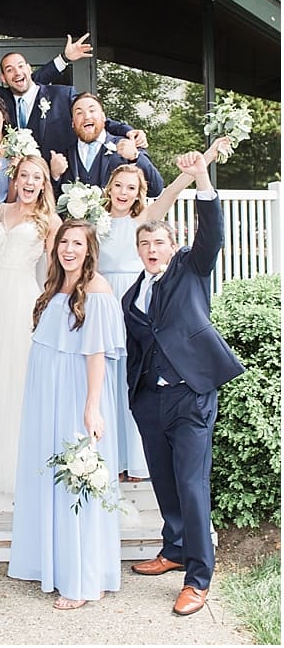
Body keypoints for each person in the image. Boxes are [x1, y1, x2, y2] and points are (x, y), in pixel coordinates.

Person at [121, 150, 245, 617]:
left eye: (159, 243)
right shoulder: (135, 291)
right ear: (139, 250)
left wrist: (201, 180)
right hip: (150, 400)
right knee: (166, 483)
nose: (152, 250)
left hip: (190, 395)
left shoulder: (191, 270)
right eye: (145, 245)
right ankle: (173, 549)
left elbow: (212, 234)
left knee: (192, 486)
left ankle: (198, 577)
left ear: (173, 246)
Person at [98, 137, 230, 483]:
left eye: (131, 187)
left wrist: (206, 161)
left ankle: (137, 461)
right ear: (108, 188)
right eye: (119, 186)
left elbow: (173, 189)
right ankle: (111, 456)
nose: (124, 192)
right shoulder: (93, 220)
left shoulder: (145, 221)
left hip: (143, 304)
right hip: (107, 302)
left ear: (139, 192)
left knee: (138, 371)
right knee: (110, 379)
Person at [8, 219, 125, 610]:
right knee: (52, 476)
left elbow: (96, 355)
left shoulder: (97, 289)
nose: (69, 249)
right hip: (47, 394)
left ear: (90, 250)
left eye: (77, 243)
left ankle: (83, 577)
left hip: (76, 393)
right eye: (64, 242)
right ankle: (55, 564)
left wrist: (92, 407)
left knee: (77, 476)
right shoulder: (53, 286)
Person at [0, 155, 60, 491]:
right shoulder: (0, 209)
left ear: (44, 184)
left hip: (21, 297)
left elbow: (53, 271)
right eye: (24, 176)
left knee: (17, 376)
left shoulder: (49, 220)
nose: (30, 182)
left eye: (37, 177)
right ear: (15, 180)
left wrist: (51, 307)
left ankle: (18, 460)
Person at [0, 35, 145, 167]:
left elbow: (88, 118)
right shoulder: (1, 101)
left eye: (21, 66)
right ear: (3, 78)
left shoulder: (62, 95)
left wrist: (126, 130)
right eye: (10, 70)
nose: (17, 72)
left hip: (57, 179)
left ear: (29, 69)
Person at [49, 93, 164, 198]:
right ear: (73, 123)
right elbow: (51, 201)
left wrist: (135, 157)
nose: (87, 116)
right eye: (79, 113)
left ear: (104, 117)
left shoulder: (127, 145)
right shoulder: (64, 155)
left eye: (92, 110)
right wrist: (55, 177)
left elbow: (155, 190)